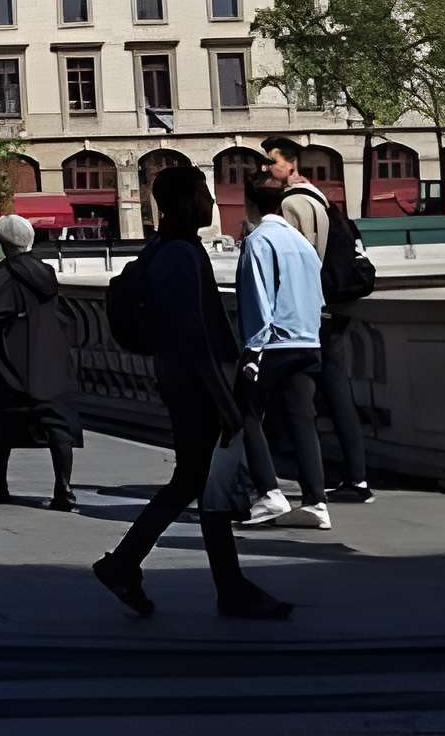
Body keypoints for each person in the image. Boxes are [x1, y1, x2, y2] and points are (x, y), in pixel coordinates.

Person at [92, 163, 289, 620]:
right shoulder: (180, 256)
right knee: (205, 483)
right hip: (197, 386)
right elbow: (194, 336)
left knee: (195, 483)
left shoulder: (167, 249)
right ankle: (224, 586)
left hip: (185, 381)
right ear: (183, 202)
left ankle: (131, 564)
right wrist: (226, 404)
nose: (212, 201)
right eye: (203, 192)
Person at [259, 136, 373, 503]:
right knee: (337, 391)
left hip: (314, 315)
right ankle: (356, 478)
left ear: (291, 164)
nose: (266, 168)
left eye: (271, 162)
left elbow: (300, 260)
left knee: (300, 399)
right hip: (334, 309)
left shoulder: (293, 203)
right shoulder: (319, 196)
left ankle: (303, 483)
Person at [236, 173, 332, 529]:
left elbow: (258, 297)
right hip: (309, 340)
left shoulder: (258, 240)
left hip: (275, 342)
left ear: (250, 203)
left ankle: (268, 493)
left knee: (245, 412)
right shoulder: (301, 242)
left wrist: (252, 350)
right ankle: (316, 500)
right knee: (303, 420)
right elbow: (317, 294)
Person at [0, 213, 82, 510]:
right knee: (58, 424)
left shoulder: (1, 274)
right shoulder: (45, 272)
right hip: (49, 356)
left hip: (12, 356)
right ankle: (64, 488)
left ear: (2, 243)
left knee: (3, 422)